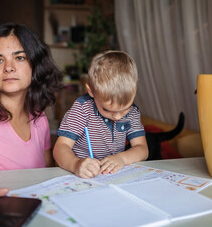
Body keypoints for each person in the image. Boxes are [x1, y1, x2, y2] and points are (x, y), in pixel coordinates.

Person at [0, 23, 62, 171]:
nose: (8, 67)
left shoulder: (39, 117)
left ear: (35, 65)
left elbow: (47, 173)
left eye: (19, 58)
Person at [53, 50, 149, 179]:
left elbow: (142, 149)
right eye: (107, 110)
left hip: (113, 177)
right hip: (81, 176)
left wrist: (122, 158)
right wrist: (75, 164)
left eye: (125, 109)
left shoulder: (133, 112)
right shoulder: (82, 109)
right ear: (91, 91)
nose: (118, 117)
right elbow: (60, 148)